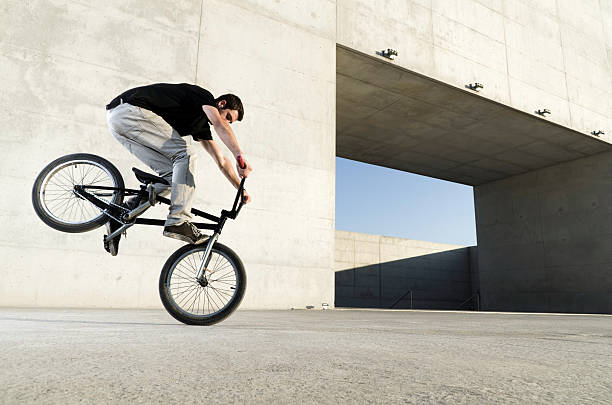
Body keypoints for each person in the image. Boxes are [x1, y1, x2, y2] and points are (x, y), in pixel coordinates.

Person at [105, 83, 252, 246]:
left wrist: (240, 189)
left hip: (122, 124)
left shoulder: (200, 127)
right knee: (186, 153)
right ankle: (179, 221)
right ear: (221, 104)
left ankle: (120, 214)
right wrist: (239, 155)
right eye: (228, 117)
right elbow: (219, 123)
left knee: (172, 179)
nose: (226, 123)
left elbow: (221, 160)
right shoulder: (204, 97)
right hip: (130, 110)